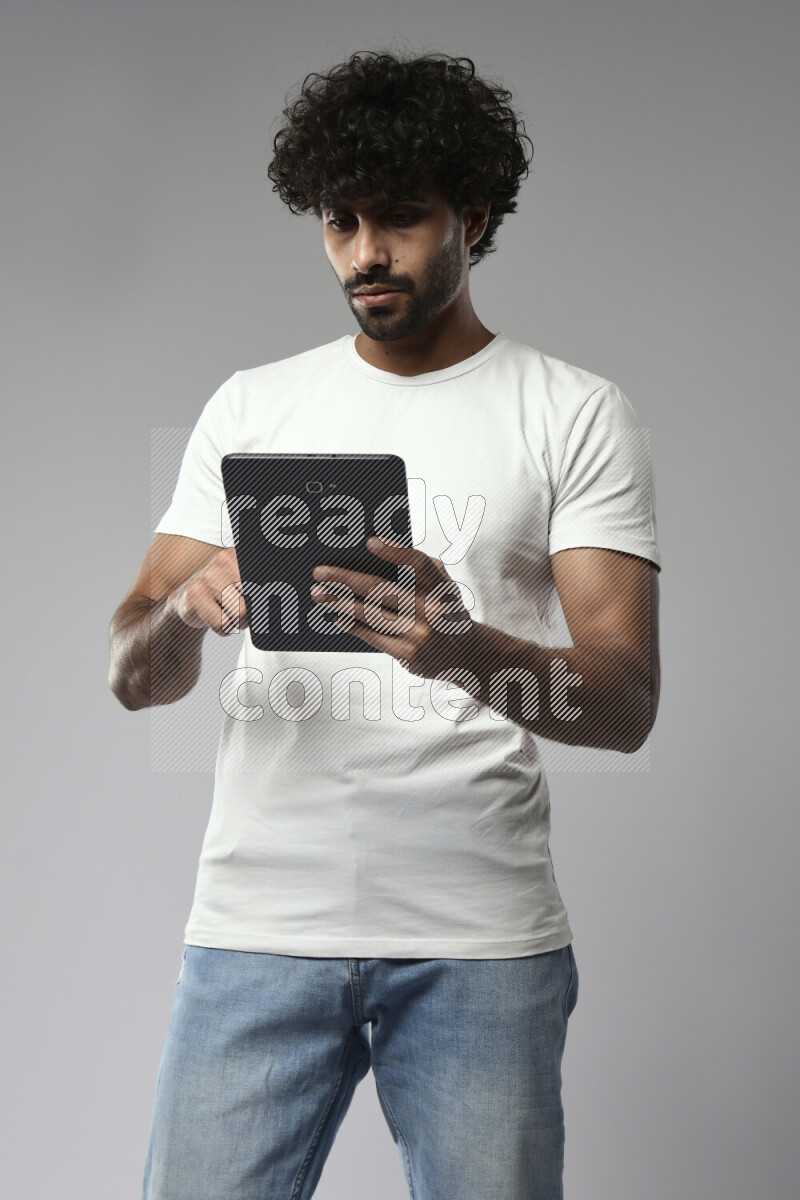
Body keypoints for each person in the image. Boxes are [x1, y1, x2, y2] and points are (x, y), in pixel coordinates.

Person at [108, 49, 660, 1200]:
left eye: (399, 218)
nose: (364, 252)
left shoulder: (572, 412)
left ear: (473, 217)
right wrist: (184, 615)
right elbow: (132, 671)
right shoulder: (252, 406)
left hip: (478, 944)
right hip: (257, 928)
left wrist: (463, 651)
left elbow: (621, 703)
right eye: (340, 221)